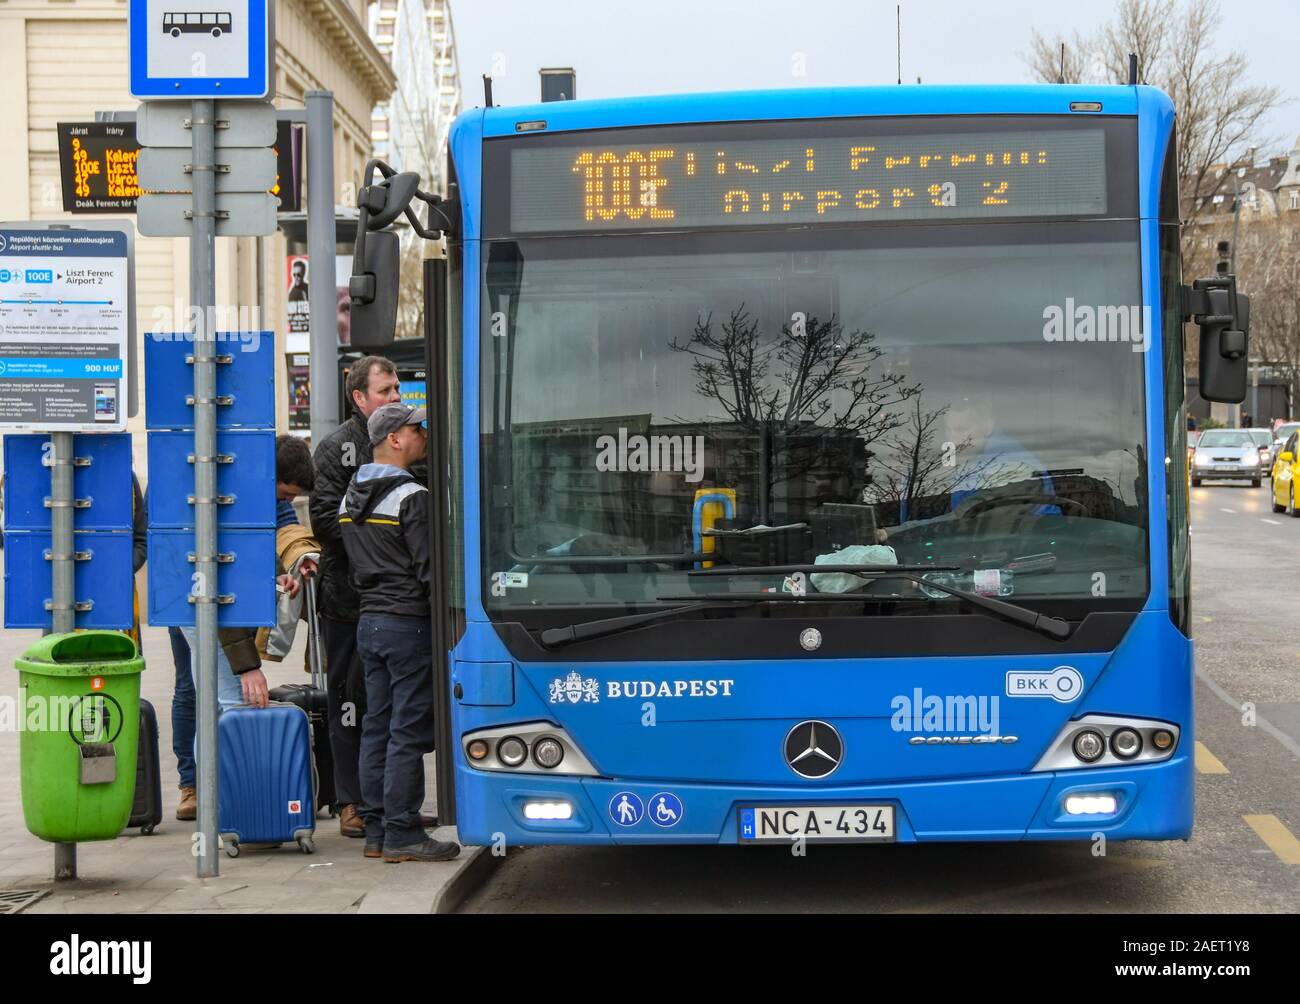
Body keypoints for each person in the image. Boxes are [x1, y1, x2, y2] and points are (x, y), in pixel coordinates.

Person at [339, 402, 459, 863]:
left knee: (376, 728)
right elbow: (430, 572)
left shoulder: (353, 495)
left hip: (369, 624)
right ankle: (404, 833)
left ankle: (376, 831)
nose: (423, 433)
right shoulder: (412, 496)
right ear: (394, 439)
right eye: (416, 427)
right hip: (408, 625)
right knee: (407, 732)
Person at [310, 356, 403, 838]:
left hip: (399, 599)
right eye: (385, 391)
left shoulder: (407, 441)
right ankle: (351, 803)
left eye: (396, 389)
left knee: (395, 703)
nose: (394, 397)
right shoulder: (336, 449)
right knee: (348, 700)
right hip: (347, 601)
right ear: (359, 398)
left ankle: (393, 801)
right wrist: (381, 539)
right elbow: (323, 520)